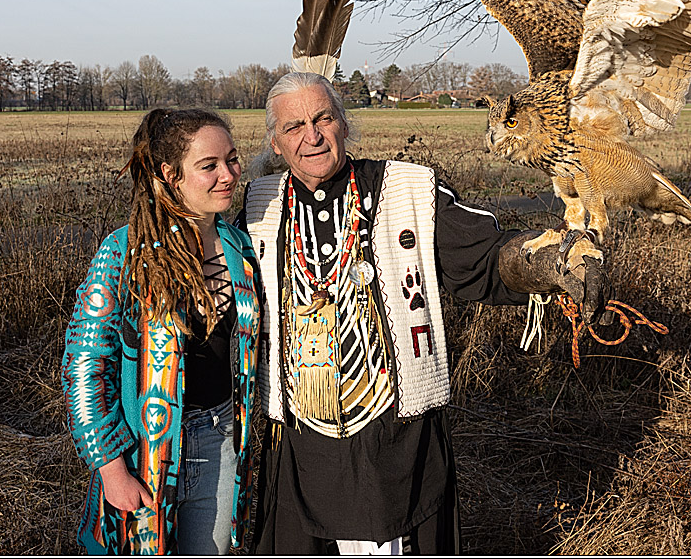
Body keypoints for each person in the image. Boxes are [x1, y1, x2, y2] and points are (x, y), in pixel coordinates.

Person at [237, 72, 609, 554]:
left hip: (392, 443)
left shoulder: (407, 191)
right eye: (294, 127)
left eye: (323, 118)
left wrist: (550, 262)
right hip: (298, 443)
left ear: (344, 124)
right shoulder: (257, 209)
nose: (313, 136)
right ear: (275, 142)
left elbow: (485, 257)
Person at [61, 107, 262, 555]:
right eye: (209, 166)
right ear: (171, 175)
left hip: (222, 442)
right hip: (145, 452)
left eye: (232, 159)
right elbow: (84, 368)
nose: (228, 175)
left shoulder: (241, 247)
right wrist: (111, 469)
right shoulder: (124, 254)